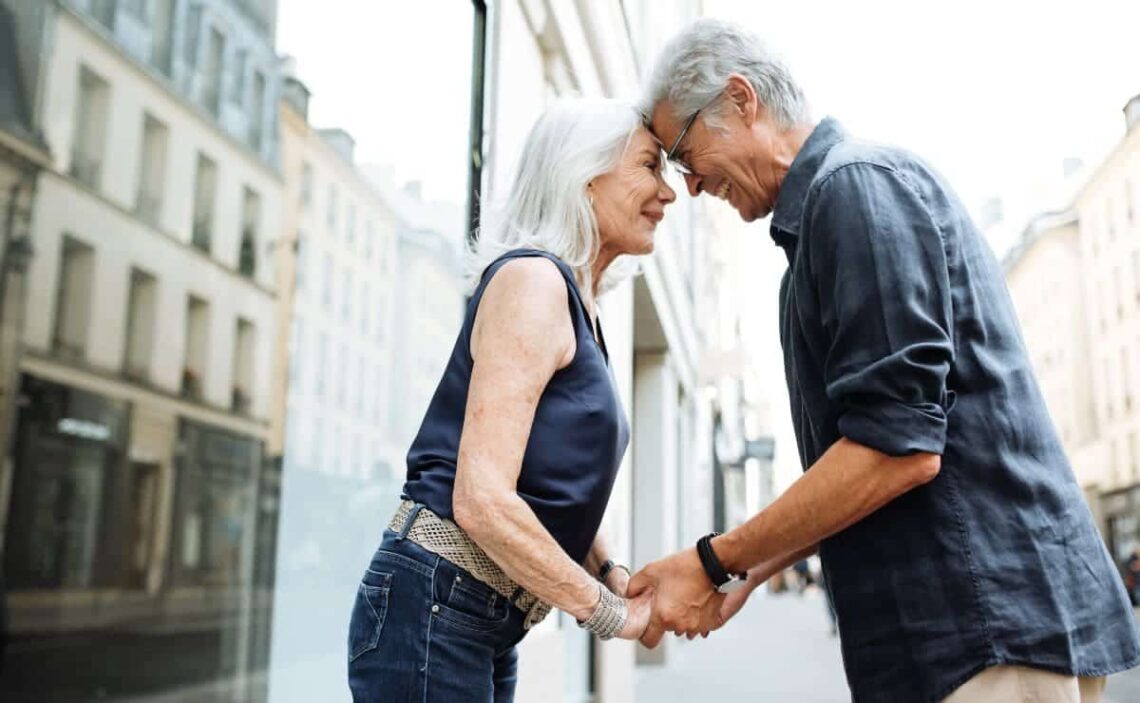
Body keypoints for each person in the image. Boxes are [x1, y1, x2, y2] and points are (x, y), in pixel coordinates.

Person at [628, 18, 1140, 703]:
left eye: (684, 152)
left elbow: (897, 448)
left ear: (742, 100)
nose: (688, 185)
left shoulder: (854, 188)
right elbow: (866, 457)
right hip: (968, 636)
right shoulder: (819, 228)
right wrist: (743, 571)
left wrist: (715, 558)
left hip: (985, 633)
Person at [346, 98, 676, 703]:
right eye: (650, 166)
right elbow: (481, 499)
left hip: (478, 615)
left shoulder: (580, 304)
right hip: (438, 605)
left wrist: (609, 571)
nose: (668, 192)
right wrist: (608, 612)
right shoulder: (533, 282)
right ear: (586, 174)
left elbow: (546, 478)